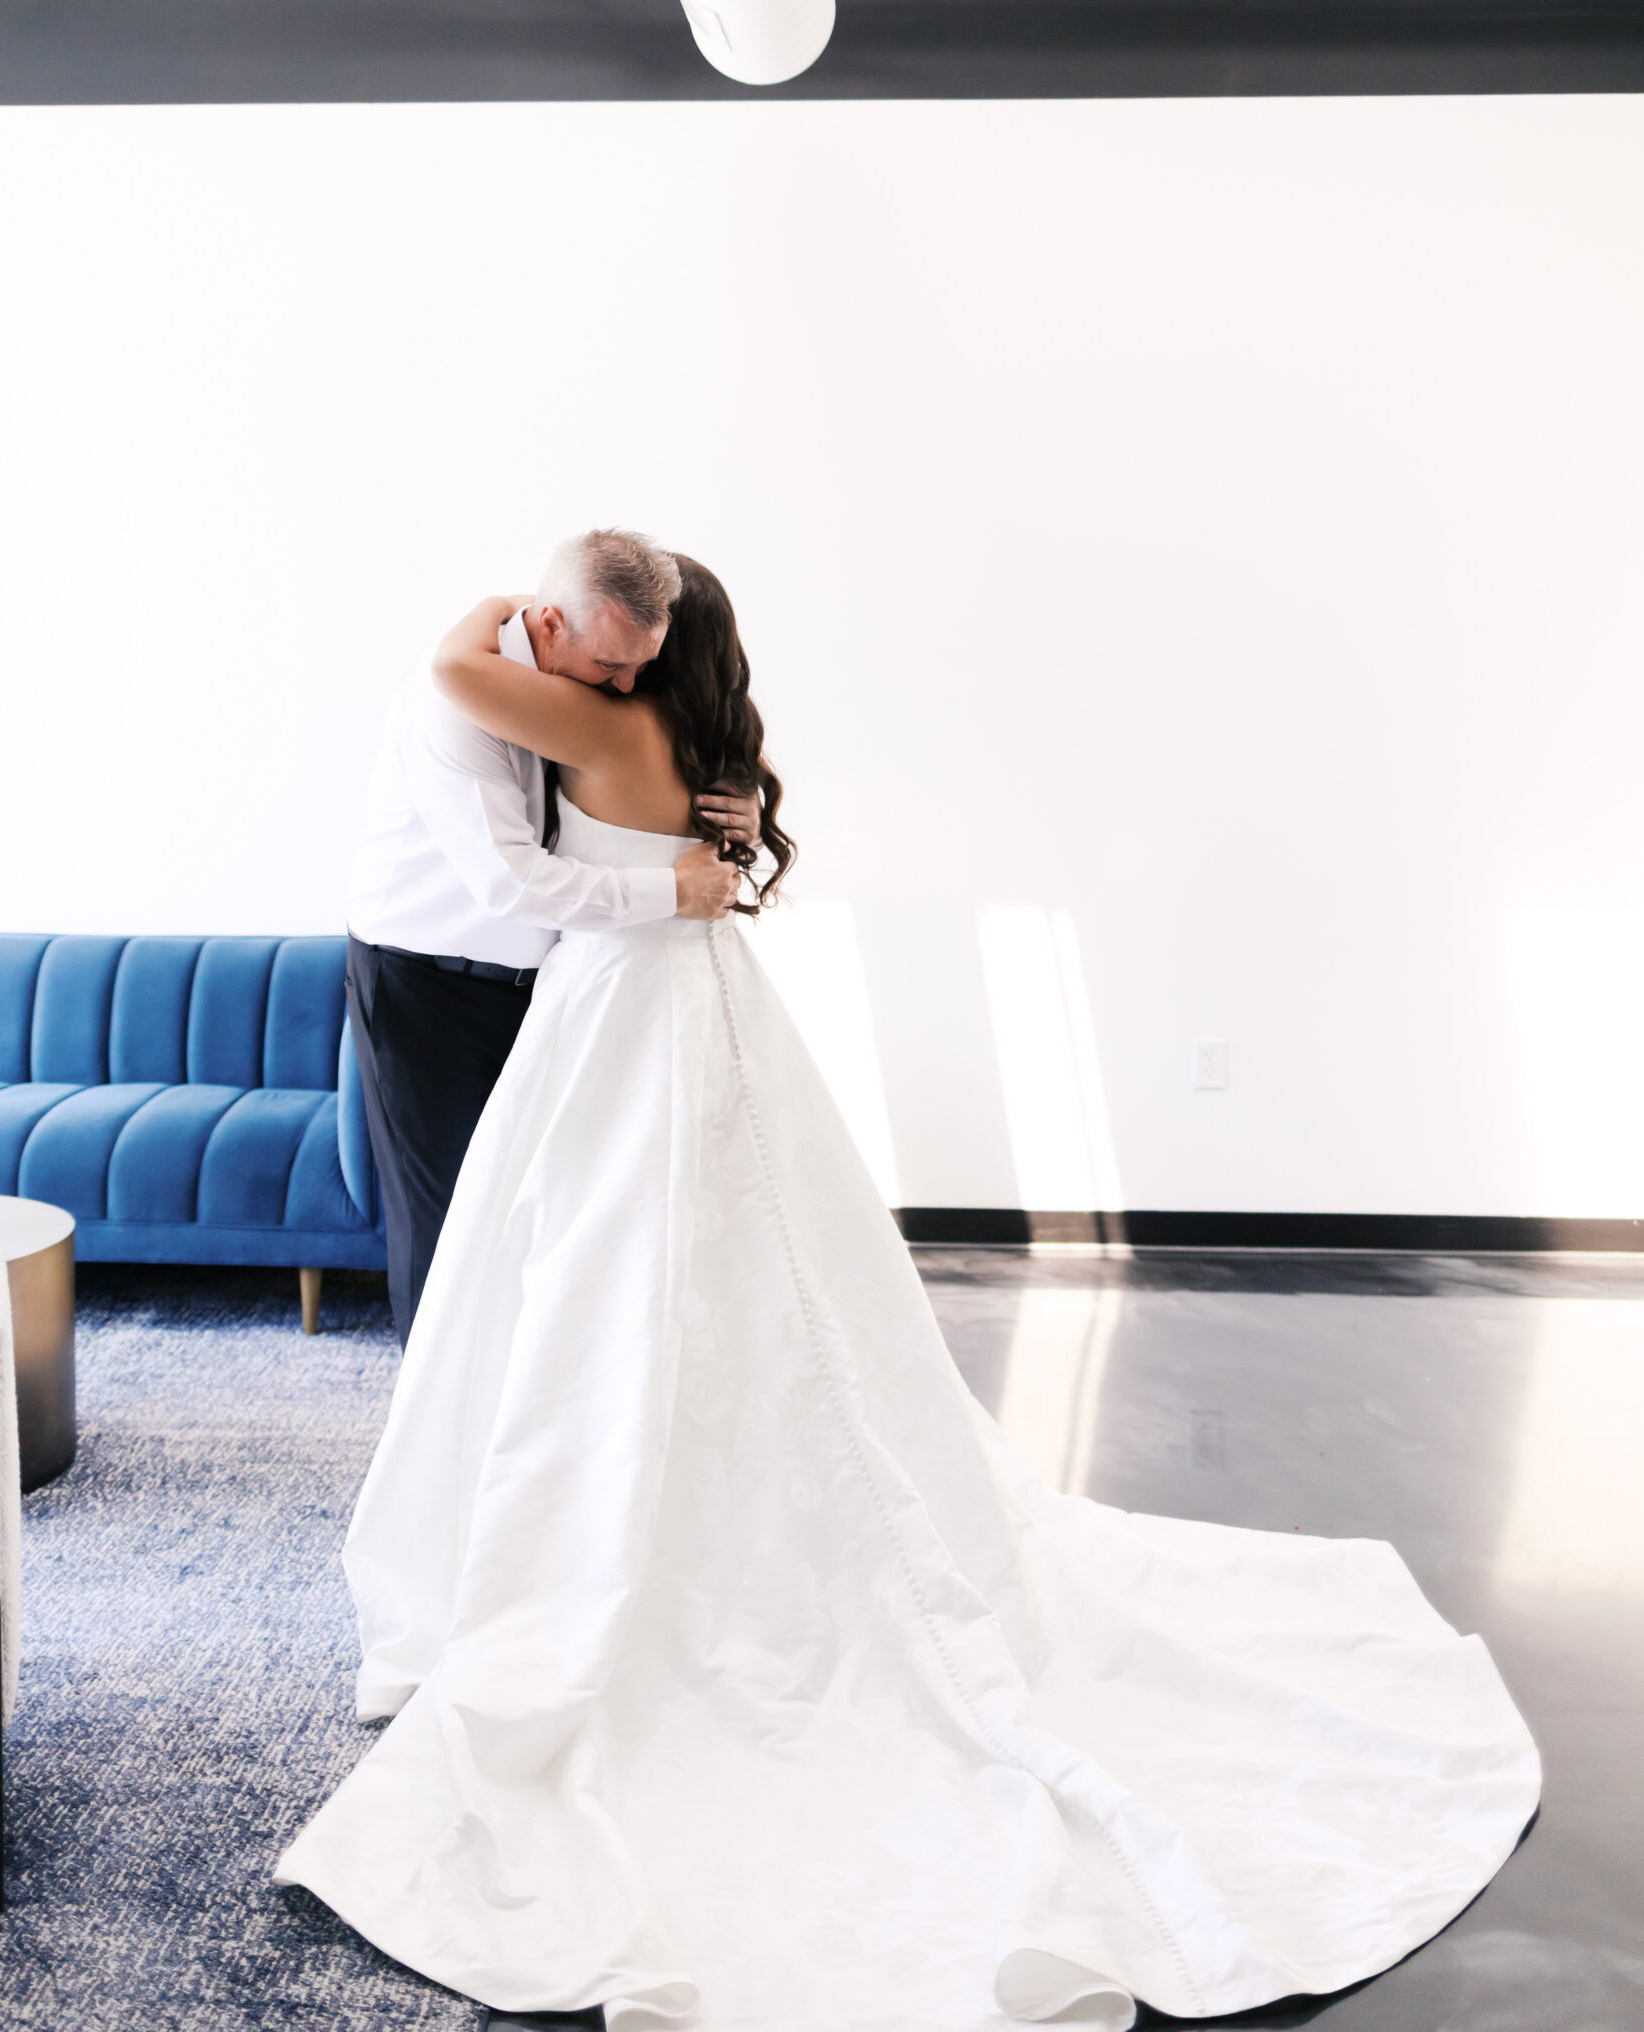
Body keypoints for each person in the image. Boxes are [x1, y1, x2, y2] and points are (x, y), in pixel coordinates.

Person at [280, 558, 1538, 2031]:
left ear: (649, 656)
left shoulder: (544, 696)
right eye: (601, 656)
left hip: (613, 995)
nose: (610, 682)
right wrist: (692, 848)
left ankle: (579, 1514)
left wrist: (513, 630)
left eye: (631, 663)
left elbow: (461, 690)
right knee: (672, 1259)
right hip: (623, 984)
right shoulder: (681, 741)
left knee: (595, 1271)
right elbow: (545, 840)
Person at [344, 528, 751, 1344]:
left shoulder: (592, 693)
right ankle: (439, 1430)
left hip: (551, 982)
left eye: (645, 665)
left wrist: (737, 808)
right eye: (612, 668)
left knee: (538, 1202)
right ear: (553, 624)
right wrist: (671, 888)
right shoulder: (451, 703)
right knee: (451, 1217)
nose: (629, 683)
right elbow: (512, 882)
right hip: (430, 980)